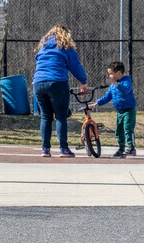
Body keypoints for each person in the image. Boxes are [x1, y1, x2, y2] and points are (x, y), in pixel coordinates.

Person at [33, 24, 87, 158]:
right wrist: (83, 82)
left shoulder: (42, 46)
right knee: (61, 116)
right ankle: (64, 149)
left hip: (38, 83)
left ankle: (45, 149)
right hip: (57, 82)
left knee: (45, 116)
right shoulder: (65, 46)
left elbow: (39, 62)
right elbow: (75, 66)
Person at [90, 61, 137, 158]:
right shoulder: (112, 86)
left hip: (129, 110)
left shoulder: (126, 81)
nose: (110, 76)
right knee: (119, 130)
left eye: (111, 73)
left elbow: (125, 90)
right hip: (120, 111)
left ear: (119, 73)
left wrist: (116, 83)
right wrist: (97, 103)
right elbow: (107, 97)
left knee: (127, 128)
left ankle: (131, 148)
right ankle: (121, 148)